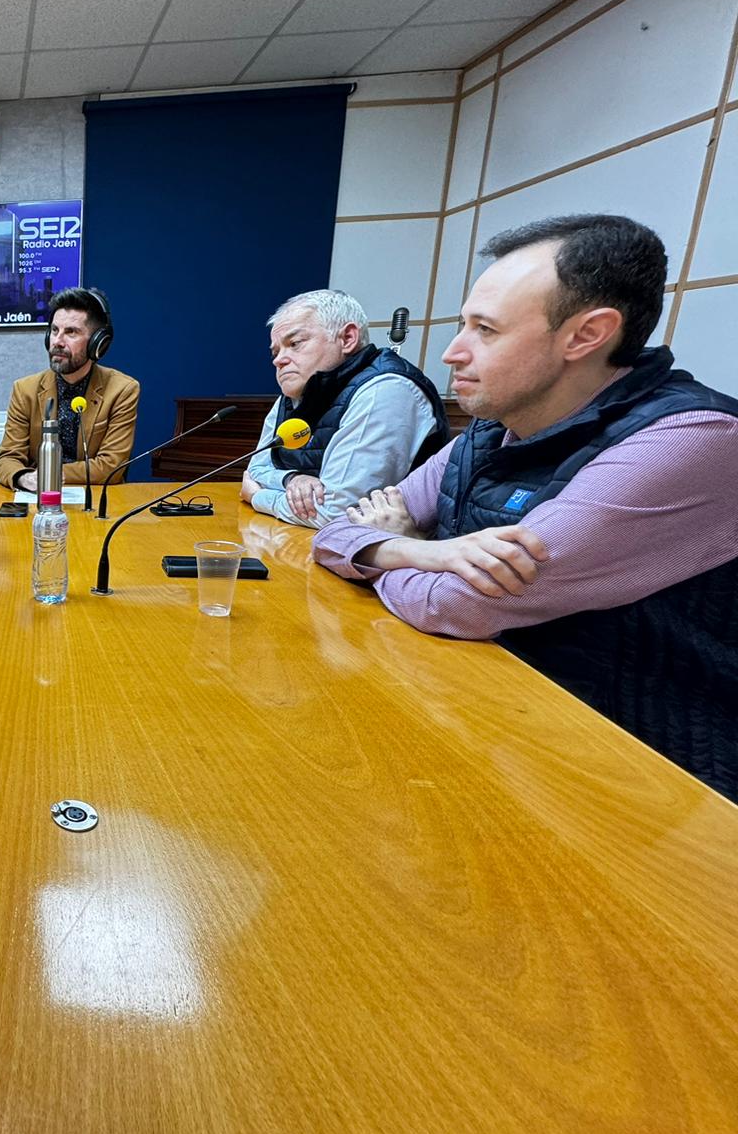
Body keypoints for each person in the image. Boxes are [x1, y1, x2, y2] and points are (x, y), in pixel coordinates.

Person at [313, 214, 738, 798]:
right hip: (498, 731)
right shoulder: (490, 431)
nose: (451, 354)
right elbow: (332, 534)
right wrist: (409, 549)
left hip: (647, 780)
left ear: (587, 335)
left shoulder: (689, 440)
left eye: (484, 330)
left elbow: (460, 605)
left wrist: (390, 557)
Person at [241, 289, 448, 527]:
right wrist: (291, 479)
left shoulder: (387, 390)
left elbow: (339, 513)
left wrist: (258, 497)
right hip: (303, 537)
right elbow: (255, 469)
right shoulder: (295, 393)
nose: (278, 360)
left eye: (294, 343)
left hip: (390, 551)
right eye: (276, 352)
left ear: (347, 338)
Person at [0, 287, 139, 491]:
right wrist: (23, 477)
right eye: (54, 330)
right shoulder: (25, 389)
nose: (57, 341)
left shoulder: (122, 390)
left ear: (98, 342)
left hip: (94, 496)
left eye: (71, 332)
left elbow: (110, 467)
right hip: (38, 494)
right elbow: (7, 458)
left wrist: (51, 474)